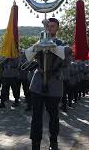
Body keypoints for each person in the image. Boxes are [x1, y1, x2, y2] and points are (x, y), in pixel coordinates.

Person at [30, 18, 68, 150]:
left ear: (57, 28)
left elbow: (66, 59)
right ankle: (35, 143)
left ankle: (53, 141)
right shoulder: (39, 41)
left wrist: (50, 44)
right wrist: (41, 43)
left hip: (54, 83)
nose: (50, 28)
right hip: (38, 83)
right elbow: (29, 55)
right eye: (48, 26)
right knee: (36, 116)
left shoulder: (62, 44)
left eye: (53, 26)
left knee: (54, 115)